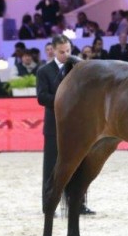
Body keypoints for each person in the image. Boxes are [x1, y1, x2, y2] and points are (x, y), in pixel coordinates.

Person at [36, 35, 95, 216]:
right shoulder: (44, 71)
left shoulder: (77, 69)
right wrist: (66, 102)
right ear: (53, 50)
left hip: (77, 126)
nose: (66, 54)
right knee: (52, 167)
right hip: (55, 127)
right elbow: (42, 97)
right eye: (62, 52)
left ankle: (78, 203)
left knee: (78, 165)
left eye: (68, 51)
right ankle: (48, 204)